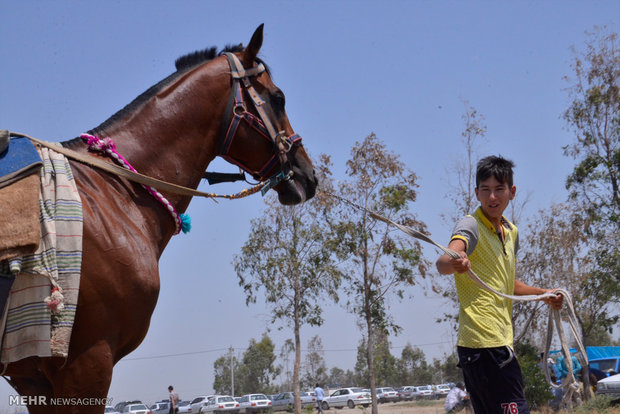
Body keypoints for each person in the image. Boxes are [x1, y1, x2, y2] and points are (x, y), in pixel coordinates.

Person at [436, 155, 564, 414]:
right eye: (485, 190)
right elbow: (443, 262)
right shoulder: (470, 225)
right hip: (482, 343)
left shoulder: (511, 232)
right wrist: (456, 261)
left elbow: (506, 283)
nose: (492, 197)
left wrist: (544, 294)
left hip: (498, 342)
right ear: (477, 193)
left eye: (499, 189)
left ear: (512, 192)